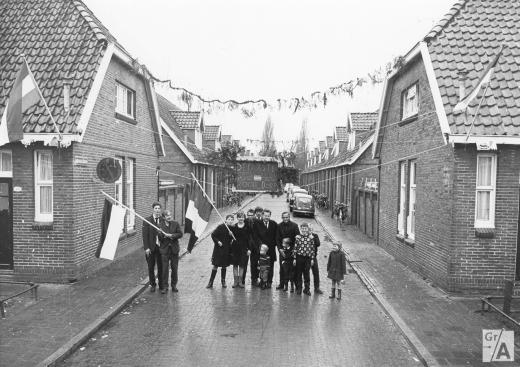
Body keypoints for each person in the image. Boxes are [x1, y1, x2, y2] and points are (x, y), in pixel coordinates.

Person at [158, 210, 183, 294]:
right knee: (165, 269)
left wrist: (172, 235)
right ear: (164, 217)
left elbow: (180, 234)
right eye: (167, 216)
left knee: (174, 268)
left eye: (170, 215)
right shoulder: (160, 225)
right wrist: (161, 234)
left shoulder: (175, 223)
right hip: (164, 250)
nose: (169, 217)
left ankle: (174, 285)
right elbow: (160, 239)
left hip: (174, 250)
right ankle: (165, 287)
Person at [252, 209, 278, 288]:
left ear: (270, 216)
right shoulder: (257, 223)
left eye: (268, 216)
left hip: (271, 249)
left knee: (271, 266)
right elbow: (255, 236)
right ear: (262, 215)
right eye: (265, 216)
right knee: (262, 266)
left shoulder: (274, 224)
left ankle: (269, 281)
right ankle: (263, 281)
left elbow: (276, 236)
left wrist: (273, 244)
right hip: (261, 249)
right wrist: (261, 245)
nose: (266, 217)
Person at [207, 214, 234, 289]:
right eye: (229, 219)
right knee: (215, 265)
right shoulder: (221, 227)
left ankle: (223, 281)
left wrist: (231, 235)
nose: (230, 221)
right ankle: (211, 282)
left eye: (232, 220)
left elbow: (234, 238)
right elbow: (213, 235)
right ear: (226, 220)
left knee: (224, 266)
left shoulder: (232, 228)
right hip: (218, 249)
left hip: (226, 249)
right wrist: (218, 241)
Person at [142, 202, 164, 292]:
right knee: (151, 267)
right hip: (151, 248)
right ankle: (153, 284)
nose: (157, 210)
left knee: (161, 267)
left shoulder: (164, 220)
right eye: (156, 208)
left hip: (161, 248)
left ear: (160, 210)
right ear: (153, 209)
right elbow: (145, 236)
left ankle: (161, 285)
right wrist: (146, 248)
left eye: (159, 208)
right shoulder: (147, 220)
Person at [276, 212, 300, 290]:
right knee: (282, 268)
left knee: (293, 269)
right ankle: (282, 284)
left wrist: (294, 250)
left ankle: (296, 285)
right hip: (282, 251)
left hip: (292, 251)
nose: (285, 219)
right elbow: (277, 239)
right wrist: (280, 249)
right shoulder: (279, 226)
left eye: (287, 217)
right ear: (282, 218)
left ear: (289, 217)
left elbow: (297, 239)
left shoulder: (295, 226)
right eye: (284, 217)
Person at [230, 211, 252, 288]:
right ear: (237, 218)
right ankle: (235, 282)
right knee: (235, 265)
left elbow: (249, 239)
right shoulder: (234, 226)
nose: (241, 219)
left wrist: (249, 249)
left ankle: (240, 282)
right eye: (239, 217)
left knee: (242, 266)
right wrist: (230, 234)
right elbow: (230, 237)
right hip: (235, 248)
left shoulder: (247, 227)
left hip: (244, 249)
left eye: (242, 217)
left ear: (244, 218)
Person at [292, 223, 315, 295]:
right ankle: (299, 288)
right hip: (299, 257)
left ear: (308, 229)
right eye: (303, 228)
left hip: (307, 258)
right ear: (300, 229)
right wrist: (295, 259)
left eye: (305, 228)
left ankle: (307, 289)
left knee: (306, 274)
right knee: (299, 273)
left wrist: (312, 259)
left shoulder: (311, 238)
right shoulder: (298, 237)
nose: (304, 230)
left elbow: (312, 249)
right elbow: (295, 248)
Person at [248, 207, 263, 286]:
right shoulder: (252, 221)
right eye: (257, 211)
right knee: (253, 263)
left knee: (261, 264)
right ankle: (254, 279)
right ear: (255, 213)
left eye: (260, 211)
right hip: (254, 246)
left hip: (262, 247)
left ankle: (262, 279)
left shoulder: (264, 221)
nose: (258, 213)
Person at [241, 208, 256, 285]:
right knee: (244, 264)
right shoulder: (244, 222)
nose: (250, 217)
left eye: (251, 215)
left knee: (254, 264)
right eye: (248, 215)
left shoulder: (257, 222)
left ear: (254, 215)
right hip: (246, 246)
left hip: (255, 247)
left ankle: (254, 280)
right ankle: (242, 280)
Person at [309, 225, 323, 294]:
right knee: (305, 273)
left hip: (313, 257)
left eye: (311, 229)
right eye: (309, 229)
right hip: (305, 257)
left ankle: (317, 288)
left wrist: (313, 238)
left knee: (316, 272)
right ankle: (305, 288)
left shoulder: (315, 235)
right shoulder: (303, 236)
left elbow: (318, 244)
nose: (310, 230)